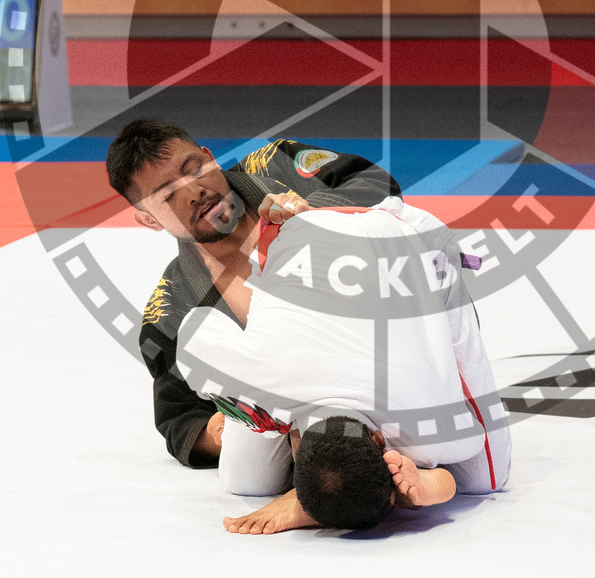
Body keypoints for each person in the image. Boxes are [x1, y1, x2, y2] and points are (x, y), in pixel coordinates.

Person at [176, 198, 511, 533]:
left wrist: (424, 487)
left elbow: (453, 469)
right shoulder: (420, 425)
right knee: (482, 482)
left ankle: (318, 499)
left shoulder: (425, 430)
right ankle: (321, 492)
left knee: (247, 481)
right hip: (320, 232)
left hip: (381, 237)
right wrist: (242, 402)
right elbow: (197, 327)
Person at [105, 118, 402, 469]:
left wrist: (312, 214)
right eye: (168, 195)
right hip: (320, 415)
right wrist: (219, 431)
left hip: (395, 347)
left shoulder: (277, 163)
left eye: (195, 169)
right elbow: (180, 418)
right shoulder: (170, 311)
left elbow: (377, 184)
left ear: (209, 156)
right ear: (149, 220)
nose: (193, 191)